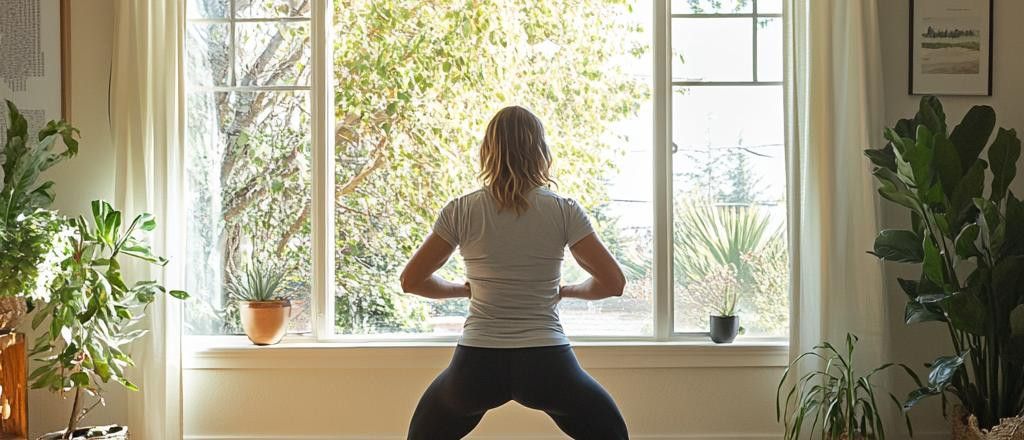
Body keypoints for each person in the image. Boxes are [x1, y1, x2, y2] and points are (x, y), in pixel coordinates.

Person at [400, 106, 630, 440]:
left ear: (487, 151)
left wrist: (465, 289)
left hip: (476, 365)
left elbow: (412, 281)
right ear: (541, 152)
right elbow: (613, 283)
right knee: (613, 433)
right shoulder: (563, 210)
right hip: (547, 364)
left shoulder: (461, 209)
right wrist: (567, 291)